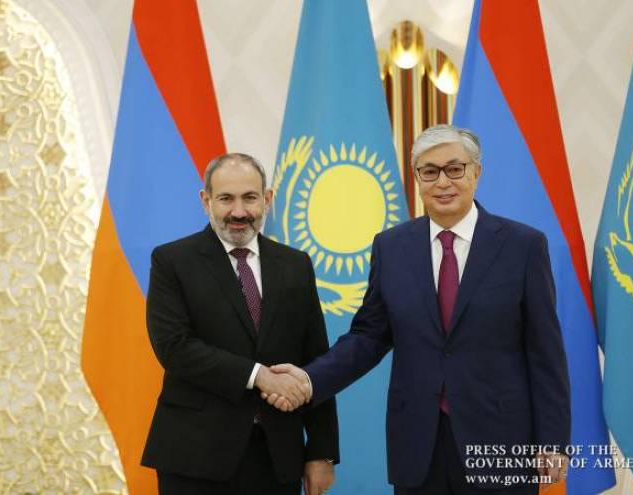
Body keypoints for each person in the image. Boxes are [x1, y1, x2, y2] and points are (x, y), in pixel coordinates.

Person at [266, 125, 571, 495]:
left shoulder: (523, 245)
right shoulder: (391, 247)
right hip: (417, 443)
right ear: (417, 177)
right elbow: (369, 337)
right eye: (429, 171)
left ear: (476, 172)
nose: (442, 182)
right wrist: (308, 380)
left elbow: (544, 351)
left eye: (454, 169)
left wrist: (553, 441)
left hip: (499, 440)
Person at [141, 153, 339, 495]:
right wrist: (259, 376)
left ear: (267, 199)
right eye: (225, 199)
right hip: (195, 457)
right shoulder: (172, 261)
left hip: (277, 458)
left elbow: (315, 359)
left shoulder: (296, 265)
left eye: (249, 197)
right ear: (206, 201)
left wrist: (322, 451)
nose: (238, 211)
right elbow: (174, 348)